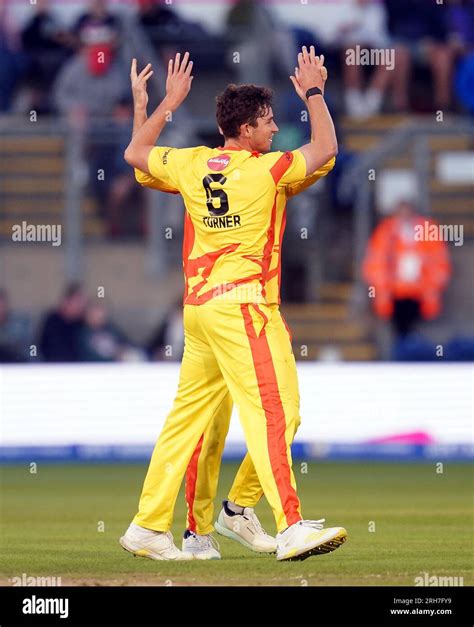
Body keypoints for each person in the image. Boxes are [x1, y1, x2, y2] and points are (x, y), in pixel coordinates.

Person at [120, 46, 346, 562]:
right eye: (266, 121)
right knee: (271, 414)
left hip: (200, 310)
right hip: (243, 306)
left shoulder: (193, 162)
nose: (274, 129)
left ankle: (152, 525)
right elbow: (327, 147)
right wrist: (314, 90)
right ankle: (288, 525)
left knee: (193, 421)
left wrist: (162, 104)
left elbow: (135, 154)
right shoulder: (266, 171)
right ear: (246, 130)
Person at [362, 200, 452, 338]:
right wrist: (382, 288)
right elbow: (375, 262)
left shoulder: (427, 230)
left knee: (420, 332)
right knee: (398, 332)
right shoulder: (386, 232)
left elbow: (439, 260)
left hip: (421, 293)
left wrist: (431, 285)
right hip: (394, 293)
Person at [38, 283, 86, 362]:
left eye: (82, 303)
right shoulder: (52, 321)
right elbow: (44, 347)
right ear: (67, 301)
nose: (80, 306)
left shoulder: (83, 322)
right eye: (77, 302)